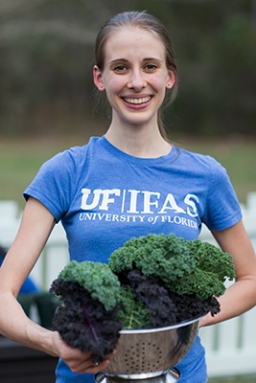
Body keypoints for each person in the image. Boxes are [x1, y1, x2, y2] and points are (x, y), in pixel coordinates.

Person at [0, 10, 256, 383]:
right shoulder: (66, 171)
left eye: (150, 66)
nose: (137, 82)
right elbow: (3, 293)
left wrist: (178, 324)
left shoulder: (205, 175)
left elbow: (250, 279)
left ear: (169, 76)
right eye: (120, 68)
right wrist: (53, 342)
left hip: (180, 374)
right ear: (99, 77)